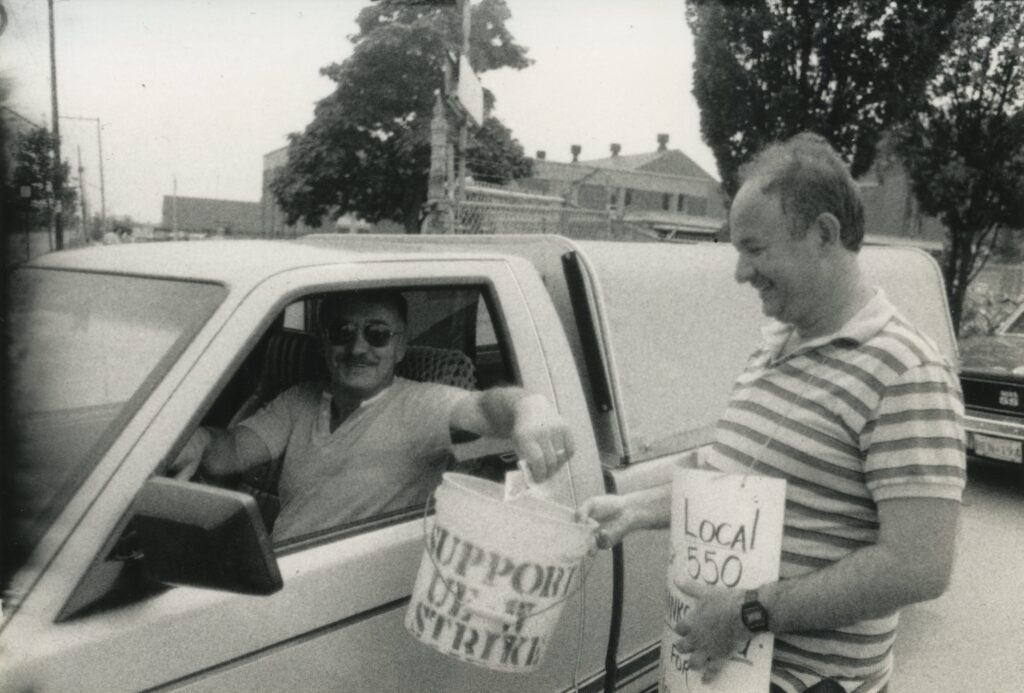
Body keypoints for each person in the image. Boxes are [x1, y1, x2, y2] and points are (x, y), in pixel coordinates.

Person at [580, 133, 965, 693]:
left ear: (825, 234)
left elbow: (919, 564)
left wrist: (747, 613)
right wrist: (635, 508)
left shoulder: (906, 372)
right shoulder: (775, 346)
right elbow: (734, 474)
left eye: (755, 249)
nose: (740, 272)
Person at [172, 289, 575, 543]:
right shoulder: (300, 400)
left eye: (377, 334)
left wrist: (527, 407)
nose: (358, 348)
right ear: (324, 343)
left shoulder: (421, 404)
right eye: (342, 332)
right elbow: (232, 451)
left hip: (351, 584)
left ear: (400, 348)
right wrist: (199, 440)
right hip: (287, 564)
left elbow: (485, 409)